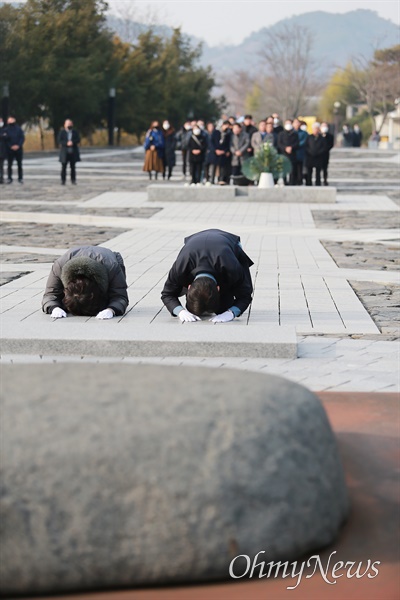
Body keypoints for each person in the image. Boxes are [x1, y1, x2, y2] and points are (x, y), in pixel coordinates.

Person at [161, 229, 254, 323]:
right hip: (194, 243)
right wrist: (180, 311)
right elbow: (167, 294)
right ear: (189, 287)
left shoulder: (232, 268)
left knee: (223, 308)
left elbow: (245, 295)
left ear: (218, 289)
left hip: (228, 244)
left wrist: (231, 312)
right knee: (197, 303)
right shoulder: (181, 267)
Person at [42, 246, 129, 319]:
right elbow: (50, 294)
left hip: (107, 262)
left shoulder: (112, 267)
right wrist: (54, 308)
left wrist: (111, 310)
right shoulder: (59, 267)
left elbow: (120, 296)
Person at [58, 119, 81, 185]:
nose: (69, 125)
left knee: (73, 167)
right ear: (65, 125)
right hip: (65, 152)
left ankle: (73, 180)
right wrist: (66, 143)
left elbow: (78, 139)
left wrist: (72, 142)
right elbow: (59, 140)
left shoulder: (75, 132)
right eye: (68, 124)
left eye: (70, 124)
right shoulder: (62, 132)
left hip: (73, 152)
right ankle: (63, 180)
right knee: (63, 167)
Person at [277, 119, 299, 185]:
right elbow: (279, 143)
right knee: (284, 168)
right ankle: (284, 181)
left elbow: (297, 143)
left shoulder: (295, 134)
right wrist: (285, 148)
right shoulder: (281, 134)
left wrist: (291, 147)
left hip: (292, 153)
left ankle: (292, 181)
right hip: (284, 153)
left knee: (292, 169)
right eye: (287, 123)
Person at [305, 122, 326, 186]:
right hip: (310, 157)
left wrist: (318, 152)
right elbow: (306, 146)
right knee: (309, 172)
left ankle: (318, 183)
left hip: (319, 157)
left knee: (318, 172)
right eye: (314, 128)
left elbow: (324, 147)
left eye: (317, 128)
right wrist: (310, 152)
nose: (316, 130)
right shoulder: (309, 137)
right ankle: (308, 183)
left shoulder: (322, 138)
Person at [5, 116, 25, 184]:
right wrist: (11, 146)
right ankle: (9, 178)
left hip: (18, 149)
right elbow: (6, 140)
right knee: (9, 165)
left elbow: (22, 138)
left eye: (11, 120)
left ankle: (20, 178)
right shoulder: (6, 129)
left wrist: (18, 145)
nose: (9, 121)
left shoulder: (19, 129)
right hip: (10, 150)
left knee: (19, 164)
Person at [293, 118, 308, 185]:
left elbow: (304, 141)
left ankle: (300, 181)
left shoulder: (304, 133)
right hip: (293, 153)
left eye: (297, 122)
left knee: (300, 168)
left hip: (300, 153)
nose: (296, 124)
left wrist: (296, 145)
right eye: (295, 122)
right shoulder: (291, 133)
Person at [216, 120, 232, 185]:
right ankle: (220, 179)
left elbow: (230, 143)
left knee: (227, 168)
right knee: (220, 167)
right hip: (219, 153)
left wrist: (227, 151)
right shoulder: (218, 133)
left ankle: (226, 180)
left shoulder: (230, 134)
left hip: (227, 152)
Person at [0, 118, 7, 184]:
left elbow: (6, 137)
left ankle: (1, 179)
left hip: (2, 152)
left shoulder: (4, 130)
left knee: (1, 166)